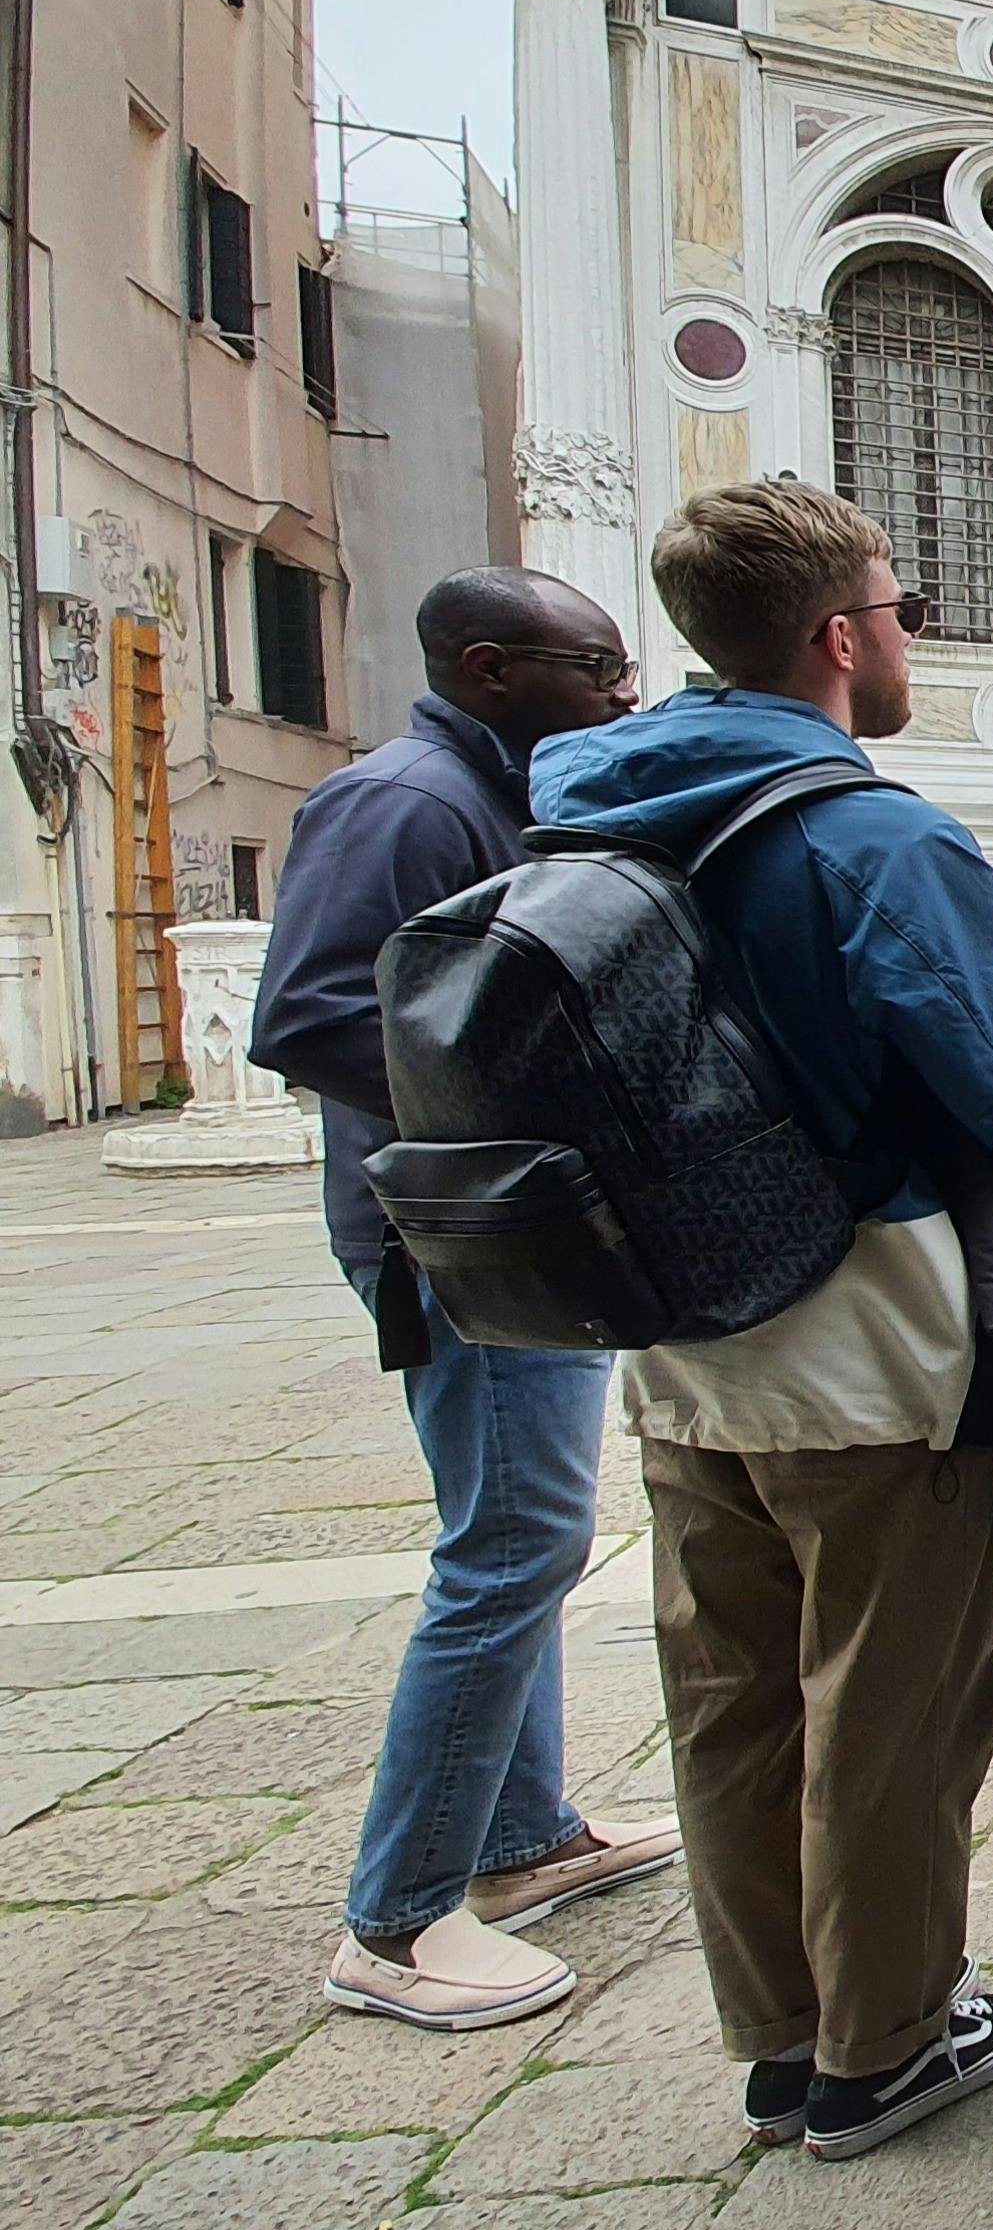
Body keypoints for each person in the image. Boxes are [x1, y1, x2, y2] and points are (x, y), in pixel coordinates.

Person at [529, 481, 993, 2160]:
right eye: (900, 607)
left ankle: (781, 2039)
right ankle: (889, 2043)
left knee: (731, 1695)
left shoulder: (580, 817)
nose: (905, 634)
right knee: (891, 1701)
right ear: (843, 637)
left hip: (680, 1343)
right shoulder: (875, 838)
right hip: (866, 1339)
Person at [253, 568, 684, 2032]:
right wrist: (526, 1099)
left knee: (526, 1534)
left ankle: (522, 1833)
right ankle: (397, 1914)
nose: (618, 692)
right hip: (467, 1234)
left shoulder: (481, 789)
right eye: (594, 667)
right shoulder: (407, 803)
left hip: (506, 1219)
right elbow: (306, 1012)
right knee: (511, 1544)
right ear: (493, 667)